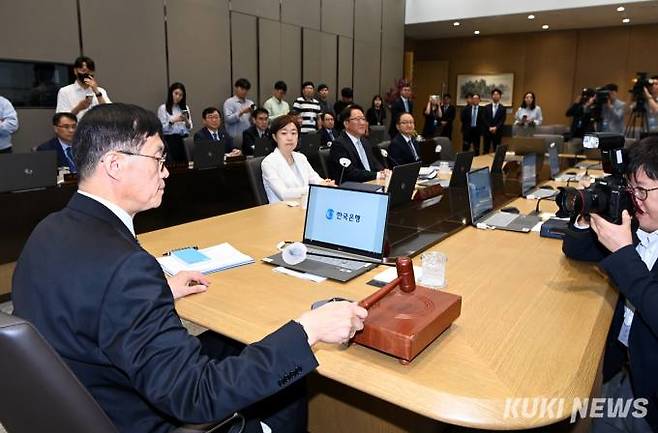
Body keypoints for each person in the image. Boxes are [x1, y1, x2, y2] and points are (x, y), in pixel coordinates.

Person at [12, 103, 367, 433]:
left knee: (229, 341)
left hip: (90, 401)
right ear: (115, 164)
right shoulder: (126, 269)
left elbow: (85, 301)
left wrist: (160, 290)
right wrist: (308, 329)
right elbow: (196, 397)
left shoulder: (49, 229)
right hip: (140, 419)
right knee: (290, 385)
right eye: (157, 159)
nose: (166, 171)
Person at [562, 136, 658, 433]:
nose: (635, 199)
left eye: (642, 190)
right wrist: (588, 212)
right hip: (624, 371)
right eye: (632, 188)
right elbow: (576, 250)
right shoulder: (641, 223)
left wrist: (624, 254)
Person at [261, 114, 335, 203]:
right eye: (284, 133)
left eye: (293, 133)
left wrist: (325, 184)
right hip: (282, 211)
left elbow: (315, 179)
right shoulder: (269, 162)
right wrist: (316, 189)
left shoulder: (301, 157)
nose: (290, 138)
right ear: (274, 137)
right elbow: (283, 194)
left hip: (304, 206)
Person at [329, 105, 388, 183]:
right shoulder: (339, 144)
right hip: (354, 188)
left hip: (372, 183)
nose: (362, 123)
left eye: (363, 119)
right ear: (346, 124)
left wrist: (383, 171)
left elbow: (374, 163)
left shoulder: (365, 142)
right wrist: (377, 175)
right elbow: (350, 172)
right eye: (357, 119)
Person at [157, 82, 192, 163]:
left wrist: (186, 120)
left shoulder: (185, 107)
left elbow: (189, 127)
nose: (178, 97)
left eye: (181, 95)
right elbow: (161, 129)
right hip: (170, 140)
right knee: (173, 165)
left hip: (183, 139)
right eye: (176, 93)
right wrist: (172, 121)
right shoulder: (163, 108)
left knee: (185, 165)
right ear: (171, 93)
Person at [482, 88, 506, 154]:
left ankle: (495, 164)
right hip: (487, 131)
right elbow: (484, 118)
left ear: (500, 96)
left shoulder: (503, 108)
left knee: (496, 150)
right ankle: (484, 163)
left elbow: (502, 120)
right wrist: (489, 127)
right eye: (494, 94)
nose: (495, 96)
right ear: (492, 96)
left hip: (497, 132)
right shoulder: (486, 107)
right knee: (486, 149)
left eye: (497, 94)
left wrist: (496, 127)